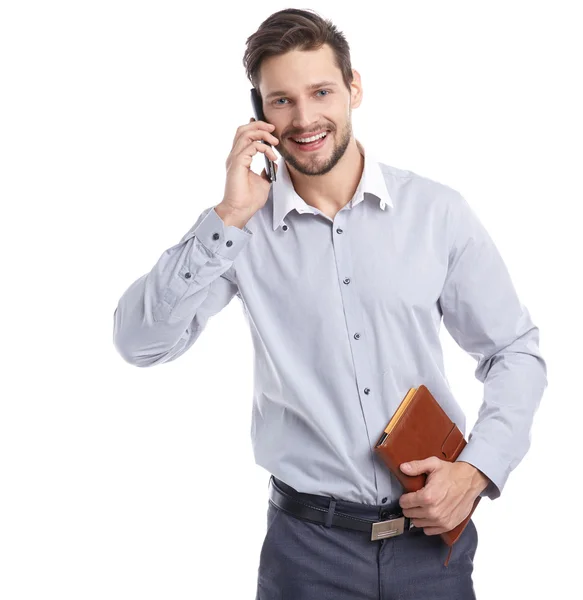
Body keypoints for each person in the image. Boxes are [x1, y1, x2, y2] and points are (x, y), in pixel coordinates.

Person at [113, 8, 548, 599]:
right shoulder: (241, 235)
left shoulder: (435, 213)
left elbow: (514, 350)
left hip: (432, 548)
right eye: (281, 101)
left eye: (320, 91)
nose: (305, 118)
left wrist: (476, 471)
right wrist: (230, 215)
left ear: (354, 88)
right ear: (258, 114)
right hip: (306, 554)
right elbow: (140, 343)